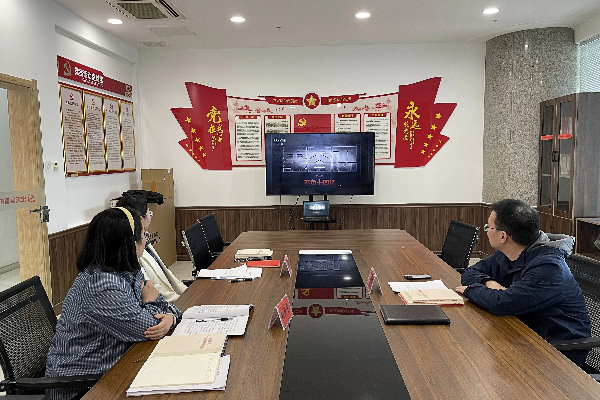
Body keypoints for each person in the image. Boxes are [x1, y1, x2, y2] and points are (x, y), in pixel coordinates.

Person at [46, 207, 182, 400]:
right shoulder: (101, 284)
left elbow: (162, 303)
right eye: (143, 234)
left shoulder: (128, 270)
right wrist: (154, 307)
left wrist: (170, 318)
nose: (146, 239)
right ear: (129, 242)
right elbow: (149, 329)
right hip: (83, 386)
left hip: (115, 366)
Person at [455, 199, 591, 367]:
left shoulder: (549, 268)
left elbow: (501, 304)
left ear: (503, 236)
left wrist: (470, 290)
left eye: (488, 227)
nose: (486, 231)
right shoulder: (509, 253)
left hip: (557, 353)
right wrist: (489, 282)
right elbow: (470, 272)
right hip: (524, 333)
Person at [116, 195, 187, 302]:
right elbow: (150, 288)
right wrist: (183, 301)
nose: (150, 217)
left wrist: (188, 293)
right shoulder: (131, 252)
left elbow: (167, 276)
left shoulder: (143, 242)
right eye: (149, 213)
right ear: (140, 219)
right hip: (165, 305)